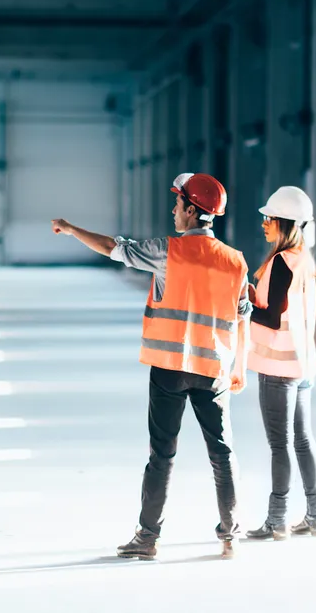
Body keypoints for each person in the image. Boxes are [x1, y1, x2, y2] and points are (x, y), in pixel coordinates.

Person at [51, 172, 251, 560]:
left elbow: (113, 247)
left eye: (178, 205)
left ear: (192, 212)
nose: (173, 211)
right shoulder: (236, 262)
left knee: (163, 453)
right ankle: (230, 535)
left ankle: (147, 538)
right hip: (213, 371)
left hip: (169, 367)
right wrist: (237, 367)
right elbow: (242, 313)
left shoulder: (168, 251)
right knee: (222, 452)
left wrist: (73, 229)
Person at [243, 186, 316, 541]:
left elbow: (271, 319)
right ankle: (315, 516)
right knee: (303, 440)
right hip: (303, 364)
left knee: (280, 445)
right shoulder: (304, 260)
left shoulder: (279, 262)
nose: (263, 223)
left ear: (284, 223)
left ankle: (277, 520)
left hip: (278, 369)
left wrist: (244, 306)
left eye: (269, 218)